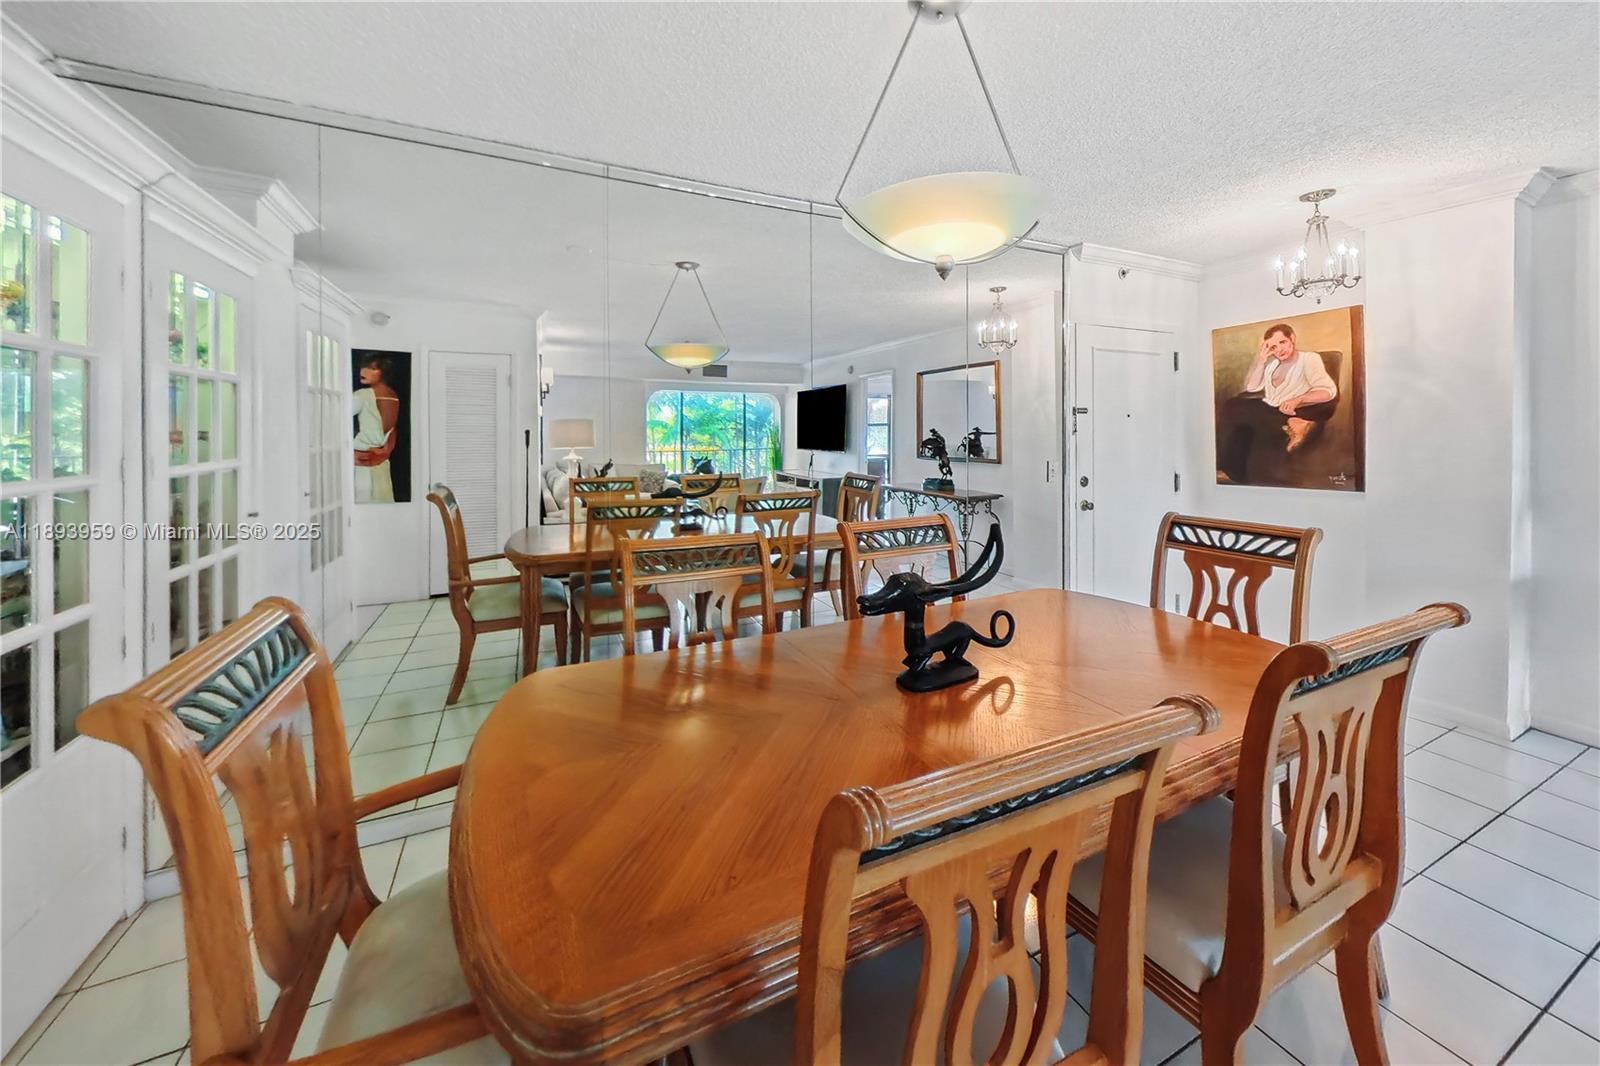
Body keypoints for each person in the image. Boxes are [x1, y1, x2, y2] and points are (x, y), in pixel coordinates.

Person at [1218, 323, 1339, 482]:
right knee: (1235, 410)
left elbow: (1329, 391)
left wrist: (1299, 399)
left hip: (1295, 410)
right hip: (1273, 410)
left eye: (1282, 342)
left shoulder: (1309, 359)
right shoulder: (1272, 365)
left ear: (1292, 339)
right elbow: (1252, 387)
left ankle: (1298, 423)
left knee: (1236, 409)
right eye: (1273, 347)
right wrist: (1261, 361)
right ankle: (1234, 473)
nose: (1279, 350)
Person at [353, 355, 400, 503]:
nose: (364, 371)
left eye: (372, 368)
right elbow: (393, 429)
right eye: (363, 367)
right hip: (380, 463)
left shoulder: (363, 395)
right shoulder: (394, 396)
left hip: (361, 461)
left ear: (383, 373)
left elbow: (333, 417)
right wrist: (386, 450)